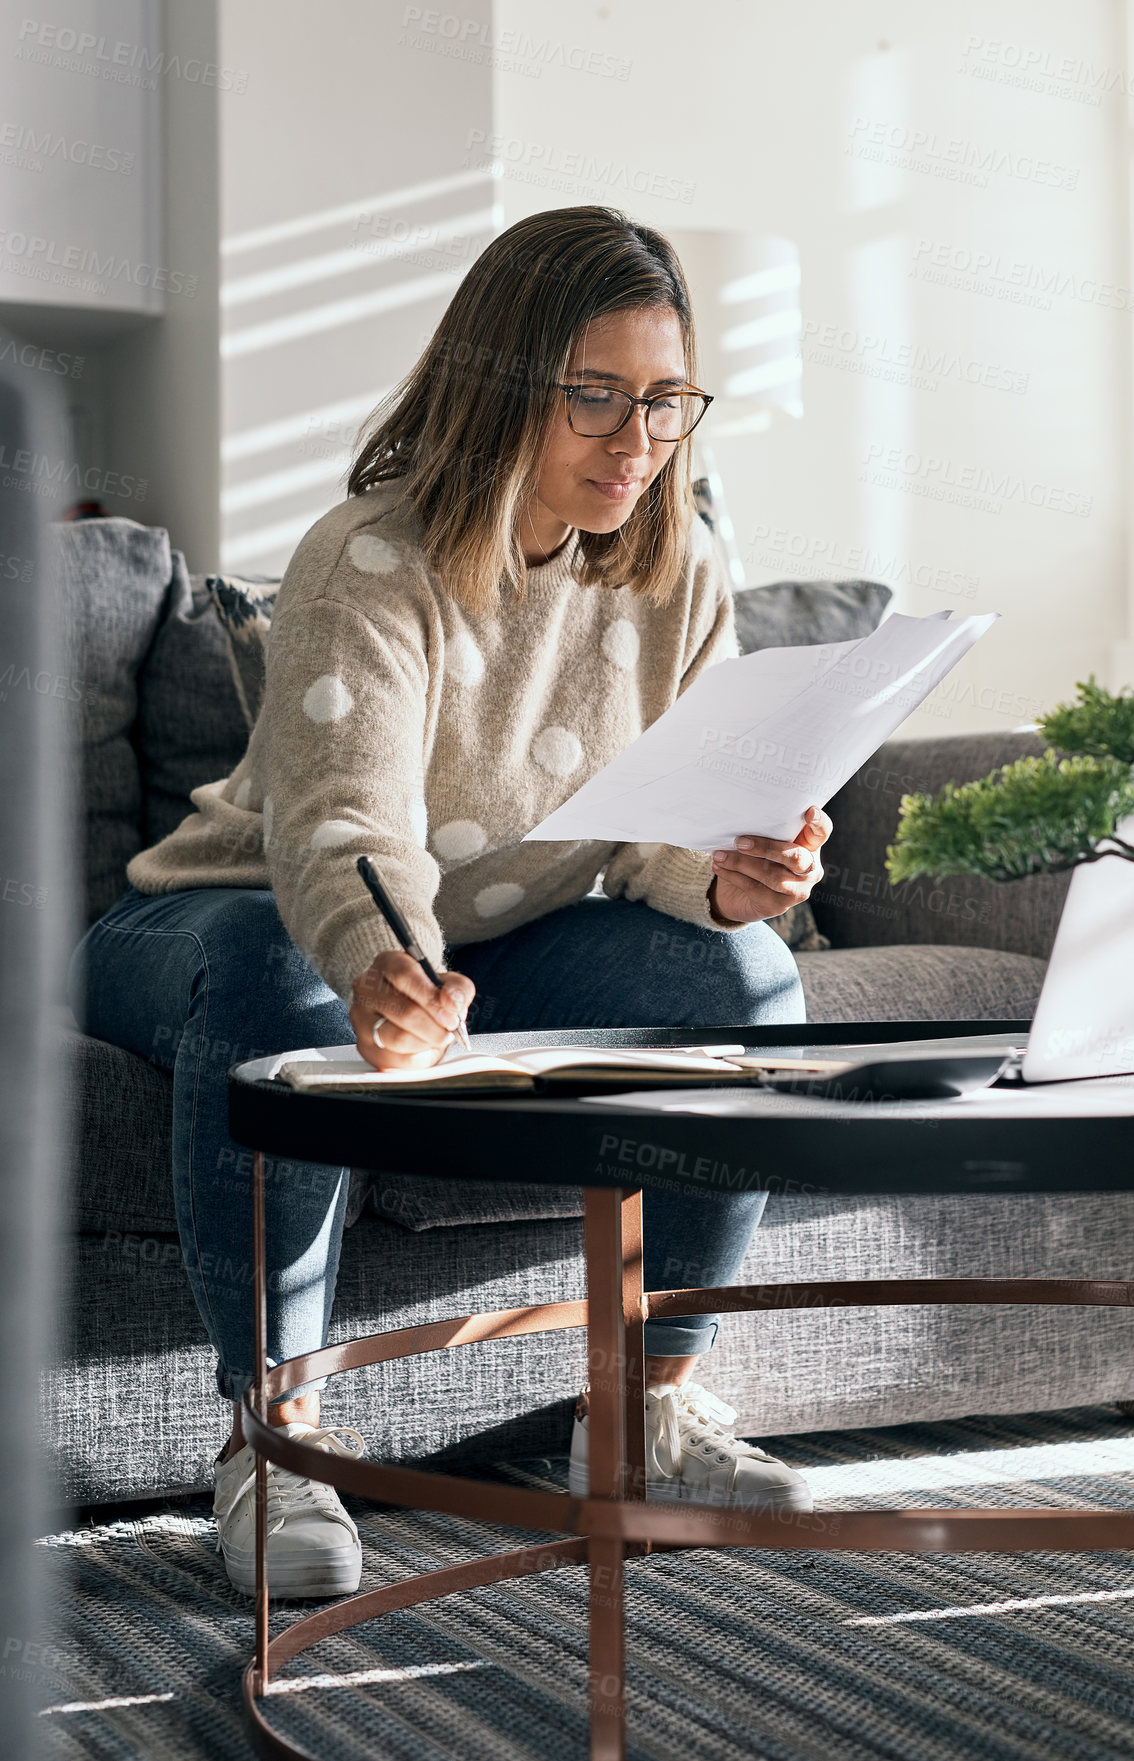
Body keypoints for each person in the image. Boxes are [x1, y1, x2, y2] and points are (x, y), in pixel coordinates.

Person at [70, 205, 832, 1600]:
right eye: (595, 396)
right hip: (213, 918)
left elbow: (659, 838)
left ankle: (643, 1409)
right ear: (501, 384)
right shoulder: (372, 555)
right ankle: (276, 1437)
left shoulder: (682, 569)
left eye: (664, 399)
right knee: (282, 976)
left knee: (746, 985)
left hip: (499, 934)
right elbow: (344, 828)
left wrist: (727, 880)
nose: (635, 439)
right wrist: (382, 962)